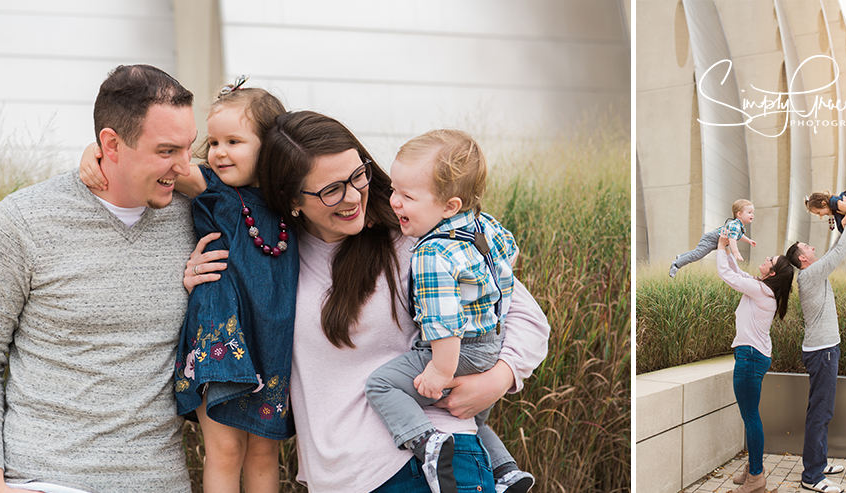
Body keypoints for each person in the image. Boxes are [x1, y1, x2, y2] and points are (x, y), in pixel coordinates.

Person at [186, 110, 551, 492]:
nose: (352, 197)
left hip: (431, 464)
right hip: (338, 479)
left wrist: (499, 377)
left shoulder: (419, 239)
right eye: (331, 190)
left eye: (357, 175)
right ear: (292, 199)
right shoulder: (269, 255)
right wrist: (202, 283)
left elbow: (524, 316)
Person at [0, 64, 198, 493]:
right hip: (45, 479)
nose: (185, 166)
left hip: (160, 482)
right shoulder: (24, 220)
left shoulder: (198, 218)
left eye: (190, 147)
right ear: (110, 144)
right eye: (167, 151)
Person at [81, 78, 295, 493]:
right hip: (222, 336)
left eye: (234, 141)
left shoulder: (289, 202)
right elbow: (135, 159)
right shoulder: (208, 185)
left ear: (271, 147)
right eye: (213, 142)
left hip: (272, 340)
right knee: (227, 450)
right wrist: (92, 152)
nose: (218, 152)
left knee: (266, 452)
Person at [363, 129, 533, 493]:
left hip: (457, 354)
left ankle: (427, 443)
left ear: (449, 205)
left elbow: (443, 325)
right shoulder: (481, 225)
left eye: (407, 196)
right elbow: (510, 254)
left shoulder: (429, 254)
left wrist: (439, 372)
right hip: (492, 346)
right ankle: (505, 471)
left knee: (381, 384)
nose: (394, 202)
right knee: (474, 417)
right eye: (394, 190)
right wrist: (475, 290)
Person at [714, 229, 796, 493]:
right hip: (754, 356)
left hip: (749, 358)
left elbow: (726, 275)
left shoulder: (761, 291)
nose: (764, 259)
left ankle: (757, 477)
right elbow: (737, 274)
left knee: (750, 417)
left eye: (768, 260)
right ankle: (752, 468)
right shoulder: (762, 289)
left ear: (771, 273)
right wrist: (727, 249)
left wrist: (719, 246)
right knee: (751, 416)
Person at [785, 195, 846, 493]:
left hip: (825, 349)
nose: (812, 247)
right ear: (803, 258)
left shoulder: (811, 273)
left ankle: (819, 461)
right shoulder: (811, 274)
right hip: (822, 352)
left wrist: (842, 221)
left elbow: (832, 248)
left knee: (821, 409)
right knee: (821, 412)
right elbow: (839, 250)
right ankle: (812, 476)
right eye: (807, 247)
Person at [670, 199, 756, 278]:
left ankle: (681, 257)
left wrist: (748, 240)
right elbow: (732, 240)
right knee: (697, 255)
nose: (752, 215)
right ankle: (676, 264)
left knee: (696, 252)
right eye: (749, 212)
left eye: (752, 213)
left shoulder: (738, 226)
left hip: (714, 241)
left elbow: (739, 236)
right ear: (739, 214)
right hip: (710, 240)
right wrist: (736, 252)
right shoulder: (735, 225)